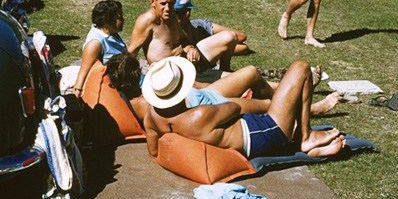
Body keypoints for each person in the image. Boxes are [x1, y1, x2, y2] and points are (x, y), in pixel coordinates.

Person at [140, 57, 347, 161]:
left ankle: (299, 134)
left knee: (278, 103)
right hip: (263, 134)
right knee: (301, 67)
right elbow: (234, 107)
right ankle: (305, 138)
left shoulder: (151, 116)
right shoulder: (198, 114)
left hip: (252, 136)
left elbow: (154, 151)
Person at [105, 52, 340, 121]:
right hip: (210, 106)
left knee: (250, 72)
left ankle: (287, 88)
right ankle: (311, 109)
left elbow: (192, 85)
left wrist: (216, 83)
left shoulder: (148, 83)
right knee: (269, 106)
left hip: (204, 93)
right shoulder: (144, 103)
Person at [127, 0, 238, 73]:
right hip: (168, 73)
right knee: (238, 80)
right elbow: (132, 52)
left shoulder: (171, 15)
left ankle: (224, 69)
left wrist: (191, 48)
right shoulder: (147, 19)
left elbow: (184, 39)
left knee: (230, 36)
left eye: (171, 3)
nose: (168, 8)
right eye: (163, 3)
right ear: (152, 1)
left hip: (188, 62)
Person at [70, 0, 128, 98]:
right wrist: (77, 93)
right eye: (119, 17)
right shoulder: (95, 43)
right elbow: (84, 71)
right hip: (110, 90)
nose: (123, 20)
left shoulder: (111, 33)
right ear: (107, 21)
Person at [173, 0, 251, 56]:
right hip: (205, 48)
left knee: (241, 37)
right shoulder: (171, 31)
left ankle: (221, 43)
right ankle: (221, 46)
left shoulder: (197, 25)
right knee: (244, 47)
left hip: (202, 27)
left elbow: (242, 37)